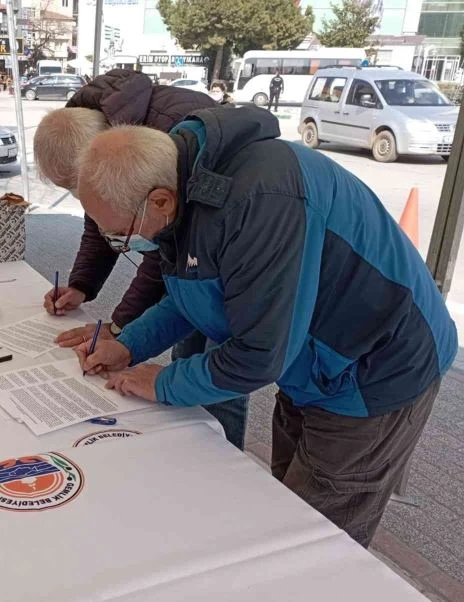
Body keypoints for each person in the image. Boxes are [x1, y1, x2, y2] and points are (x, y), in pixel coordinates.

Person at [73, 106, 458, 548]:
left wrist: (164, 381)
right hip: (313, 361)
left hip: (377, 370)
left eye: (120, 234)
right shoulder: (183, 185)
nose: (121, 243)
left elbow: (257, 357)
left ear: (160, 201)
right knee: (284, 507)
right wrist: (130, 345)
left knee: (314, 541)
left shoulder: (259, 202)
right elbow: (194, 294)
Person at [33, 69, 249, 451]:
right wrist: (82, 285)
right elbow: (105, 225)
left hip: (233, 268)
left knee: (221, 372)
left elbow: (165, 254)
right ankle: (196, 445)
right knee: (190, 345)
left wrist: (121, 327)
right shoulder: (96, 133)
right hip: (203, 268)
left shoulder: (170, 137)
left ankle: (223, 458)